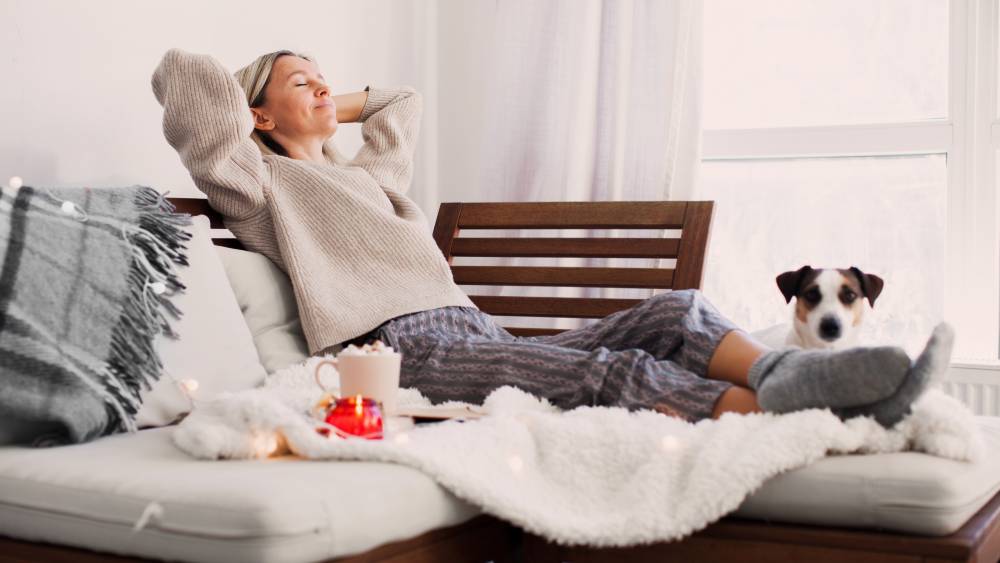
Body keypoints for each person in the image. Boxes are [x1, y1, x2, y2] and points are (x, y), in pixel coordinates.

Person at [152, 48, 954, 427]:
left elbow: (401, 104)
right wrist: (262, 98)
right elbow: (188, 86)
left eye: (326, 75)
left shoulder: (368, 181)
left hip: (471, 331)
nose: (325, 85)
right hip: (401, 354)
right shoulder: (263, 188)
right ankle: (815, 417)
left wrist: (326, 98)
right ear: (255, 114)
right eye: (303, 82)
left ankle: (798, 378)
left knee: (674, 311)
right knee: (617, 372)